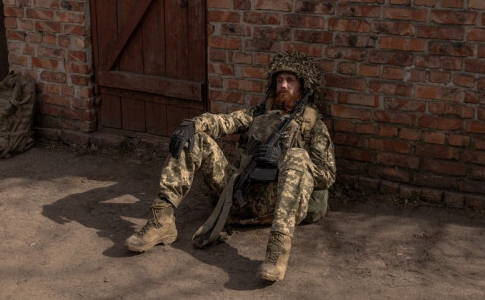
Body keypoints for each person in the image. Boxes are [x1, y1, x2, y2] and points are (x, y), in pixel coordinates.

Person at [125, 50, 336, 281]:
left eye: (290, 80)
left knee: (296, 156)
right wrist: (192, 124)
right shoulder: (258, 114)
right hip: (238, 195)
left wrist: (280, 161)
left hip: (279, 205)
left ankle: (277, 252)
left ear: (303, 86)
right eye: (279, 80)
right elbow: (224, 121)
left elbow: (326, 175)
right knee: (195, 139)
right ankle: (161, 221)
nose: (283, 85)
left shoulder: (314, 128)